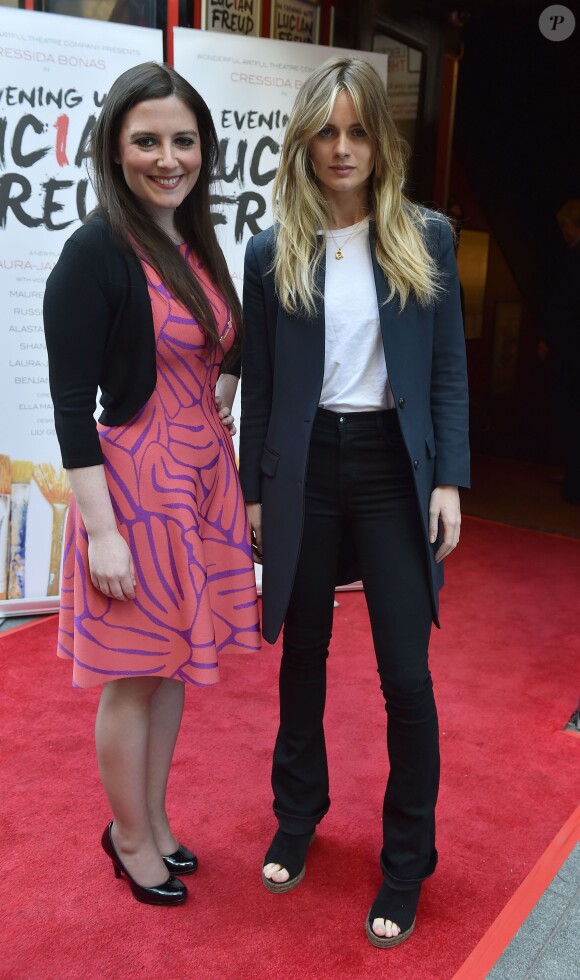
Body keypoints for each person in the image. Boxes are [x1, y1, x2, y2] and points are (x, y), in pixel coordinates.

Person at [240, 56, 469, 947]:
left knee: (405, 677)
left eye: (359, 131)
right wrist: (262, 492)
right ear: (304, 137)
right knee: (303, 656)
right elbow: (262, 382)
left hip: (390, 468)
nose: (342, 149)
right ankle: (298, 817)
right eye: (327, 131)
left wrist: (448, 476)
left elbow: (446, 368)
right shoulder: (271, 248)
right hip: (303, 468)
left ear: (382, 140)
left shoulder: (426, 236)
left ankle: (407, 860)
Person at [43, 62, 260, 906]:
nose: (168, 157)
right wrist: (102, 532)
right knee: (134, 674)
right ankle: (128, 835)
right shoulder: (95, 251)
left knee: (170, 669)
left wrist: (225, 409)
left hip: (198, 486)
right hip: (135, 496)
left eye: (183, 140)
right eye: (147, 141)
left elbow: (221, 347)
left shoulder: (193, 239)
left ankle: (156, 820)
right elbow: (70, 409)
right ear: (115, 147)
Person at [538, 199, 580, 505]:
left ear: (569, 225)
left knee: (570, 414)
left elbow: (564, 307)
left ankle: (574, 484)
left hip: (571, 354)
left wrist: (550, 340)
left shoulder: (575, 257)